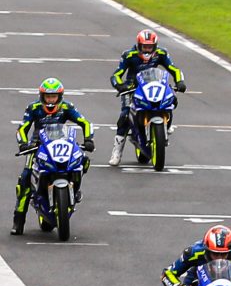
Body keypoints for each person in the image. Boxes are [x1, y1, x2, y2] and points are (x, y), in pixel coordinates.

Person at [10, 78, 93, 231]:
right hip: (37, 147)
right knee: (25, 180)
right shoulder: (33, 108)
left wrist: (88, 139)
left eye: (53, 96)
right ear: (42, 97)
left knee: (83, 160)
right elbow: (22, 129)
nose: (50, 100)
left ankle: (75, 190)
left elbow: (85, 123)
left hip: (62, 145)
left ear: (59, 97)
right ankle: (18, 220)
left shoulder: (67, 107)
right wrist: (23, 144)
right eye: (47, 97)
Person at [106, 30, 184, 167]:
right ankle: (117, 151)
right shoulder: (129, 55)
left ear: (155, 46)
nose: (147, 50)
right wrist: (120, 86)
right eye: (144, 46)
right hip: (132, 88)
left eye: (150, 47)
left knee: (172, 99)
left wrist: (180, 82)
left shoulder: (161, 53)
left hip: (153, 84)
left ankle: (167, 125)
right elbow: (116, 74)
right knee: (125, 116)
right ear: (139, 45)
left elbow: (174, 69)